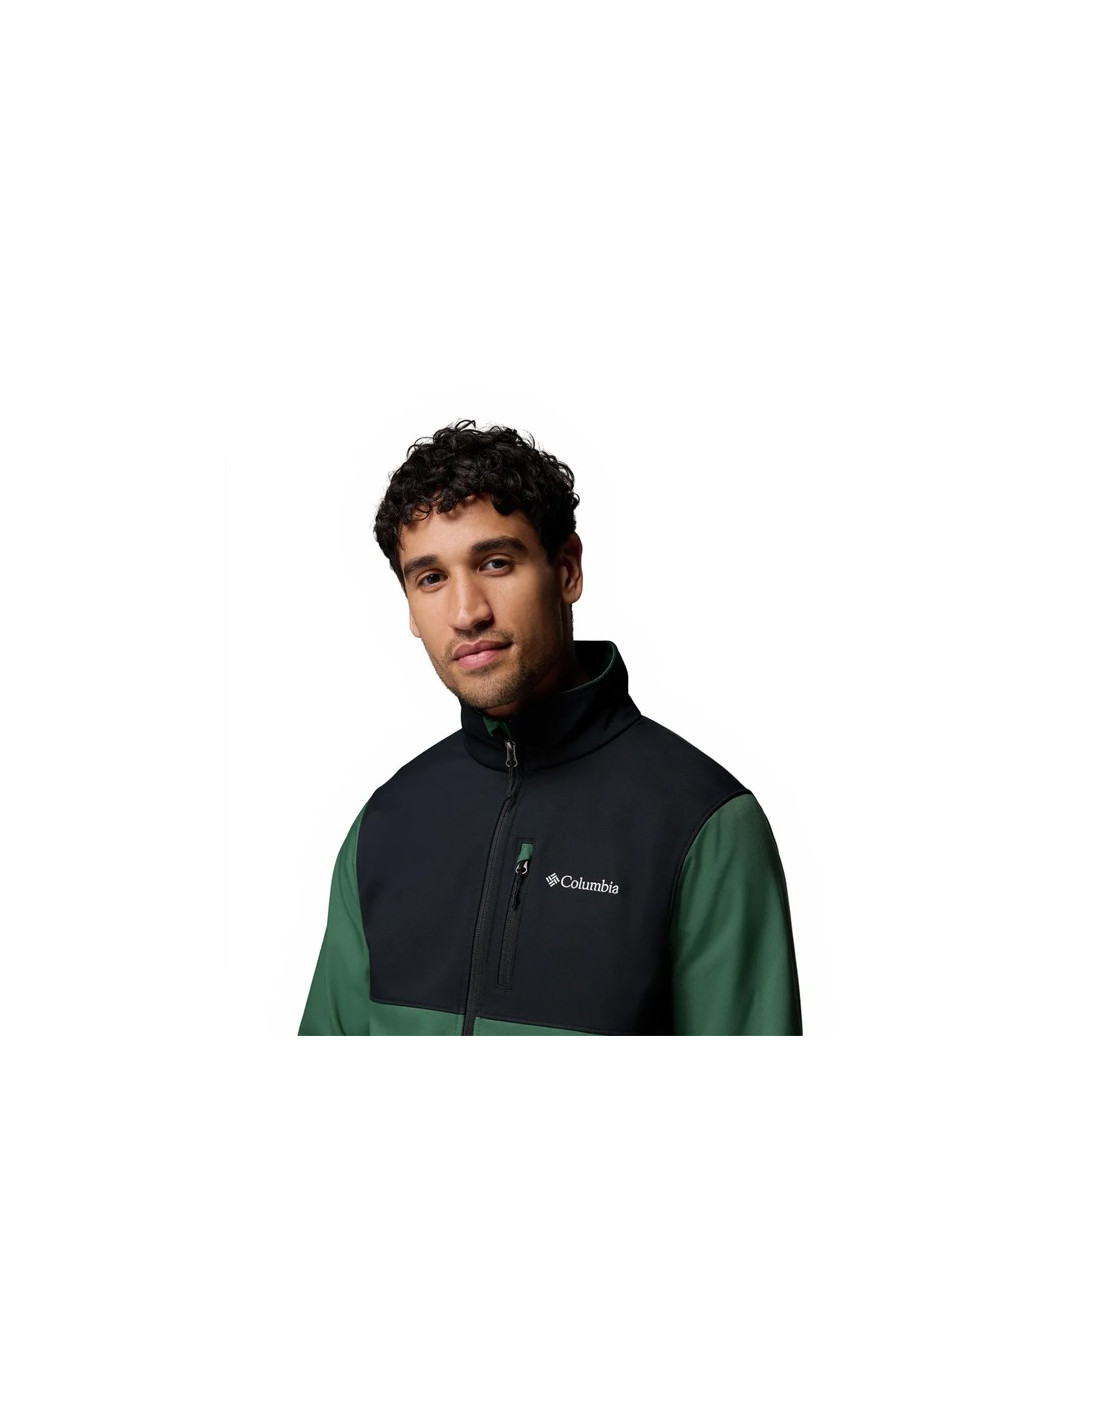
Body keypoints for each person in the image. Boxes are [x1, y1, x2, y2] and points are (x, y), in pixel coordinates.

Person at [299, 419, 802, 1035]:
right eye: (431, 578)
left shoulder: (703, 824)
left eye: (496, 563)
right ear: (410, 606)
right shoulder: (384, 824)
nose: (466, 612)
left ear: (566, 570)